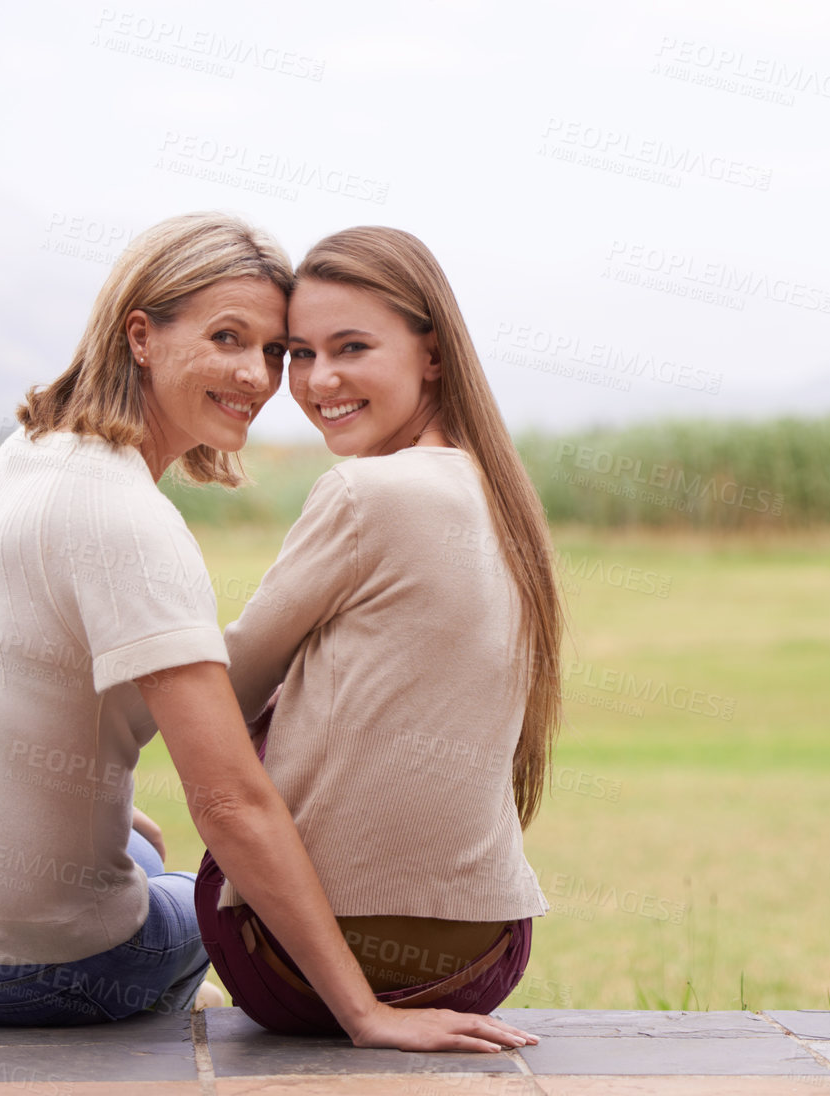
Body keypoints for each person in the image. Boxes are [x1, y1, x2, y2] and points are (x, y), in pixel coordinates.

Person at [0, 212, 536, 1052]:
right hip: (6, 964)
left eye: (272, 350)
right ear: (141, 336)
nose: (259, 377)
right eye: (230, 338)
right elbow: (228, 801)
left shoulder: (26, 452)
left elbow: (12, 695)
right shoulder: (135, 525)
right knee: (191, 899)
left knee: (142, 861)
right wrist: (363, 1013)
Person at [197, 226, 564, 1035]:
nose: (319, 379)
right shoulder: (500, 493)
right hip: (485, 957)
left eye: (351, 347)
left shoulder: (366, 491)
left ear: (431, 353)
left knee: (149, 896)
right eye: (298, 353)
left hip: (301, 961)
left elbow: (221, 693)